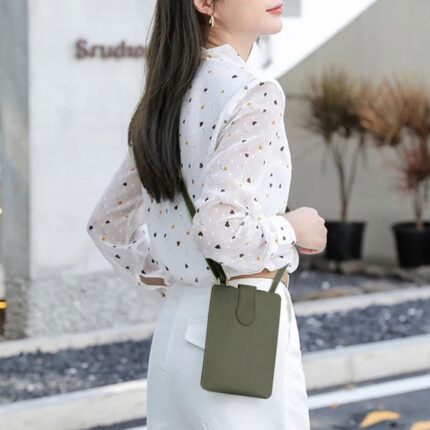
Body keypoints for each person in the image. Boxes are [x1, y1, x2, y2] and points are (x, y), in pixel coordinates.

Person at [87, 0, 327, 428]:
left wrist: (181, 274)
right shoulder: (253, 92)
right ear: (204, 3)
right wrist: (294, 228)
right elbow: (219, 230)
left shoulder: (166, 96)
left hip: (176, 332)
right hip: (239, 333)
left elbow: (107, 225)